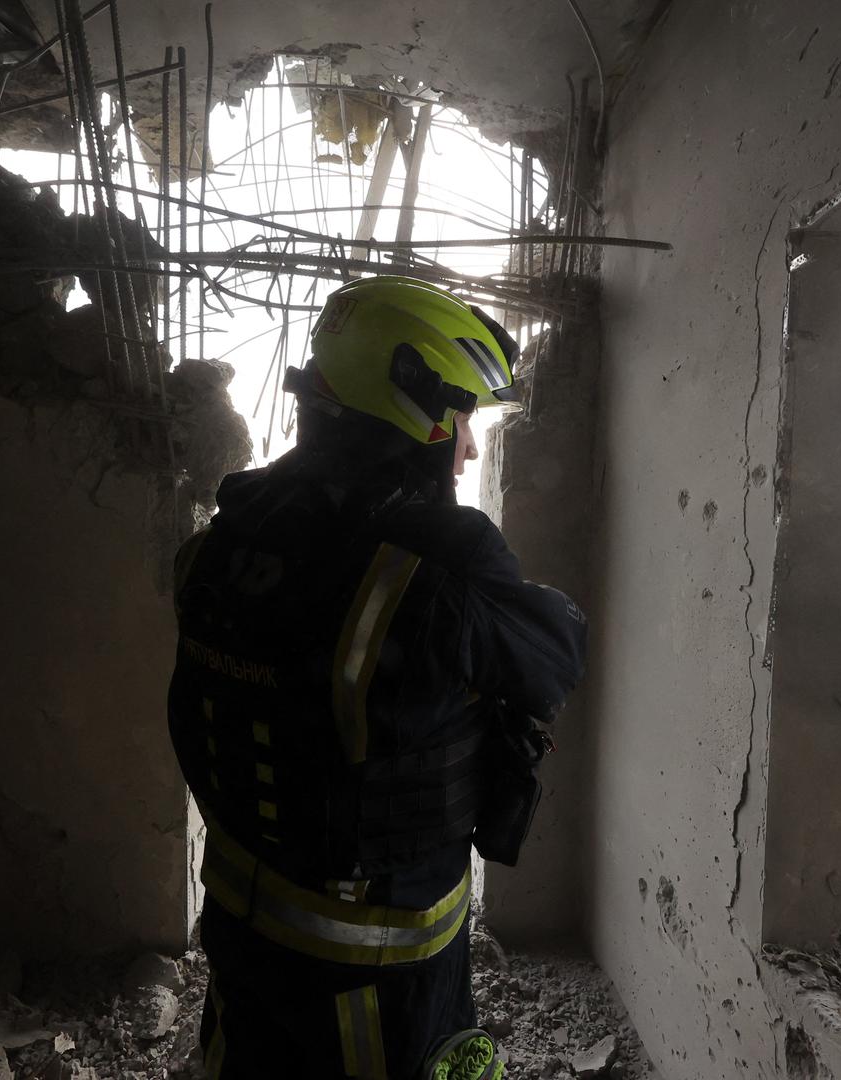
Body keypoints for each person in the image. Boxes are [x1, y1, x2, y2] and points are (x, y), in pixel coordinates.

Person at [167, 276, 587, 1079]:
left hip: (242, 926)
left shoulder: (228, 534)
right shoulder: (434, 564)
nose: (468, 447)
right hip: (376, 968)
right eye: (463, 418)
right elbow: (551, 656)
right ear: (416, 402)